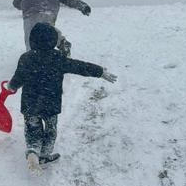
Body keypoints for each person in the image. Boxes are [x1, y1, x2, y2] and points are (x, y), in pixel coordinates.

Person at [6, 23, 117, 175]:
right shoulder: (58, 58)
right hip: (50, 103)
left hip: (30, 103)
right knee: (50, 130)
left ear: (32, 40)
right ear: (53, 40)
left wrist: (11, 86)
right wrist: (99, 71)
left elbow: (18, 77)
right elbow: (78, 66)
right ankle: (44, 156)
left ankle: (32, 151)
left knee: (33, 128)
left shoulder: (26, 58)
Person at [13, 0, 91, 54]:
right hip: (50, 9)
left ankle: (32, 56)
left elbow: (16, 3)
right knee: (48, 29)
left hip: (31, 11)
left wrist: (24, 6)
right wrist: (81, 6)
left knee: (30, 35)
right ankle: (61, 43)